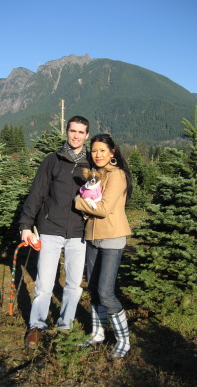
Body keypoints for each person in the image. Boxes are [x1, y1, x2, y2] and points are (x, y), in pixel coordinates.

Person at [20, 115, 90, 349]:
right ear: (67, 132)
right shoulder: (52, 160)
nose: (76, 135)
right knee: (44, 282)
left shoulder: (92, 163)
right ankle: (36, 325)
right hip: (50, 229)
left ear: (86, 135)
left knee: (73, 283)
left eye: (81, 132)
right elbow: (37, 193)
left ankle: (65, 325)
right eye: (73, 131)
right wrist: (26, 225)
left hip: (79, 232)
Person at [75, 133, 132, 359]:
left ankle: (123, 339)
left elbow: (104, 209)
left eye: (102, 150)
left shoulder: (117, 175)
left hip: (112, 238)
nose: (97, 154)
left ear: (112, 152)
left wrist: (78, 202)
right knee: (94, 288)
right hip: (92, 236)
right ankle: (97, 333)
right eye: (94, 150)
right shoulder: (95, 174)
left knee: (106, 292)